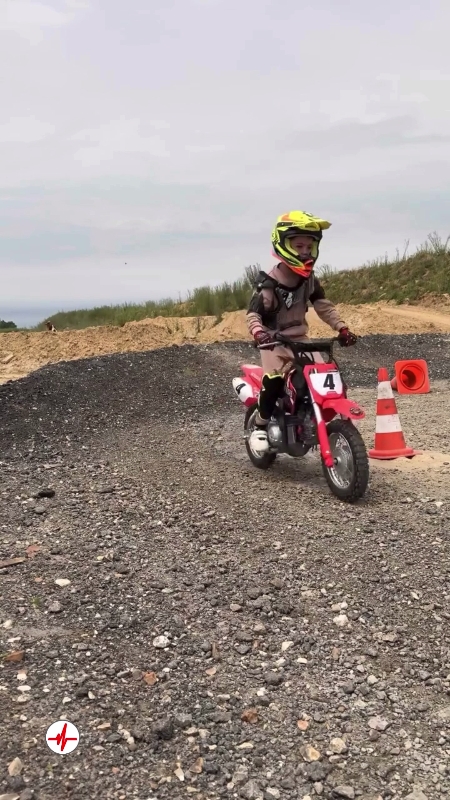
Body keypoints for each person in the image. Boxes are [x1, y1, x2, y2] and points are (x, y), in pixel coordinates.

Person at [246, 210, 357, 453]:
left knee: (327, 375)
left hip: (301, 340)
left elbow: (323, 307)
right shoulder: (269, 283)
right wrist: (259, 333)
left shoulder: (310, 280)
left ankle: (310, 417)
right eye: (299, 246)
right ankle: (260, 426)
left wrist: (342, 328)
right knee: (274, 380)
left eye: (309, 246)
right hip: (273, 341)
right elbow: (253, 314)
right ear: (283, 244)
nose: (305, 252)